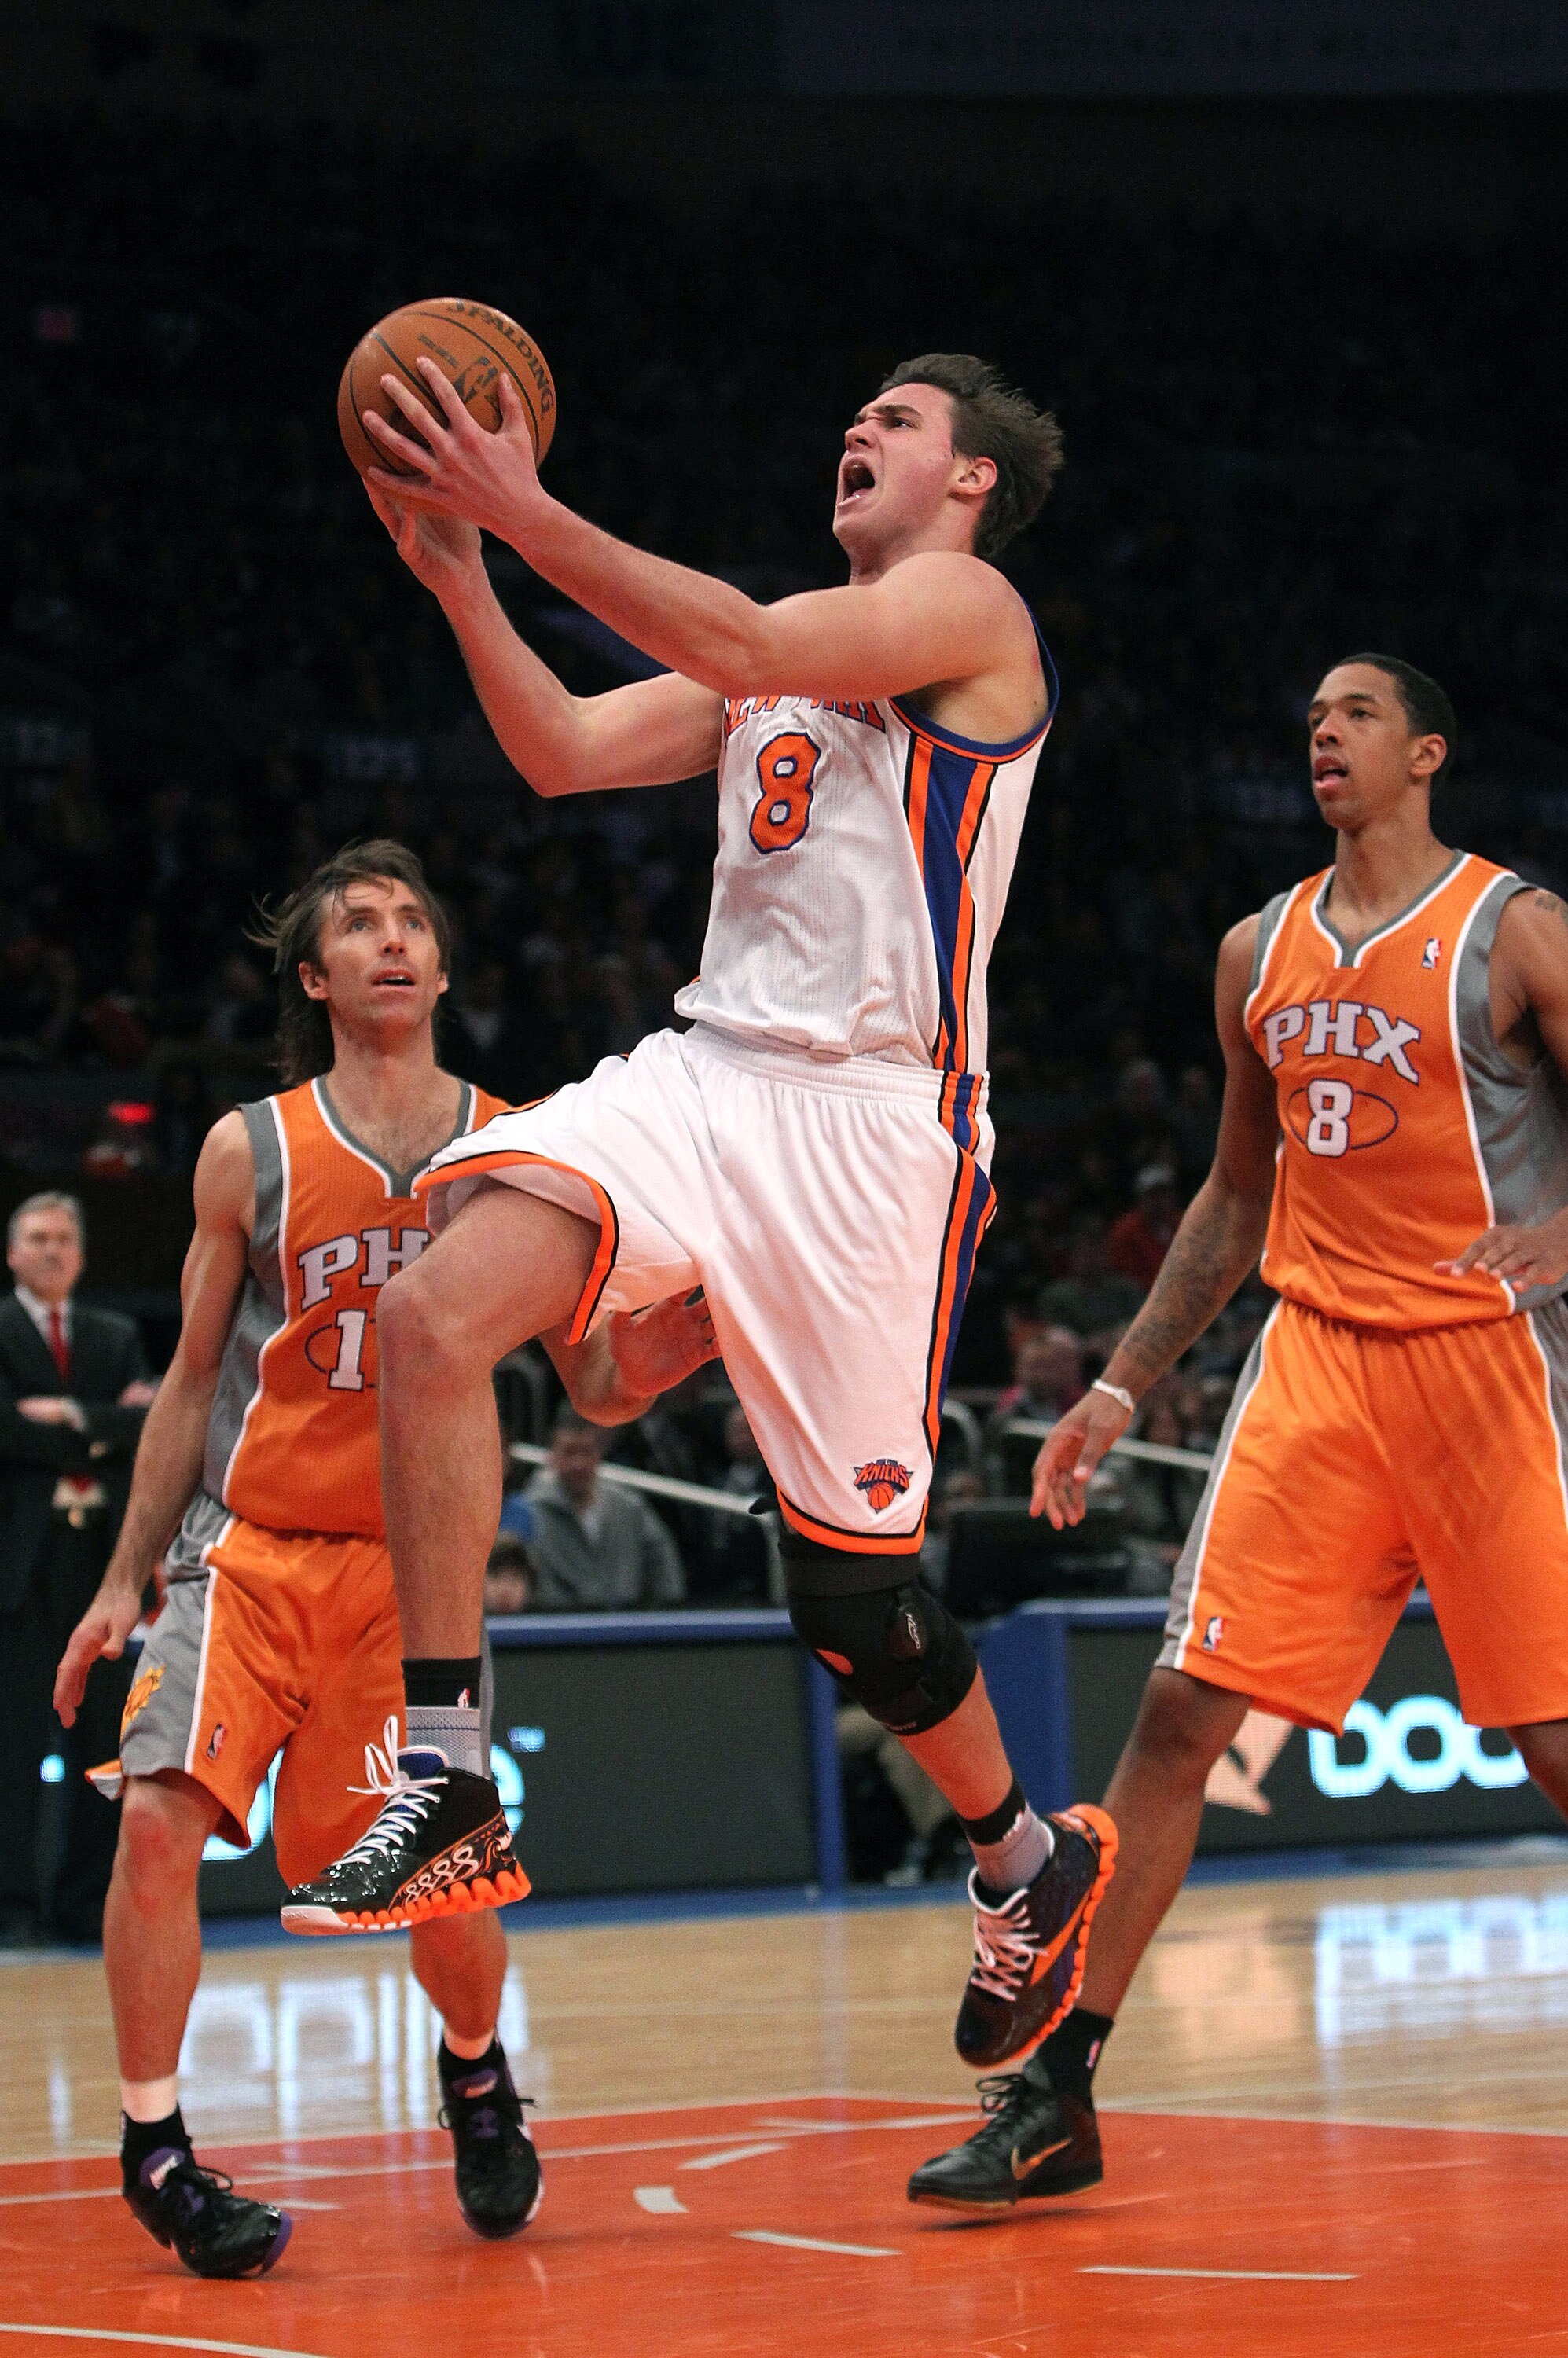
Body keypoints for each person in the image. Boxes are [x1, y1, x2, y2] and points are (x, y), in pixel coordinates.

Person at [288, 351, 1116, 2076]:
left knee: (854, 1606)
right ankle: (446, 1775)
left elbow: (738, 643)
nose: (857, 431)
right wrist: (461, 580)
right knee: (433, 1319)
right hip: (707, 1068)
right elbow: (564, 749)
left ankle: (1024, 1861)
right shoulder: (781, 665)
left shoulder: (969, 607)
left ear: (968, 480)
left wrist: (516, 508)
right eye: (855, 412)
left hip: (874, 1131)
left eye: (895, 422)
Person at [909, 652, 1568, 2209]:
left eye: (1352, 713)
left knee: (1550, 1742)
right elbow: (1229, 1196)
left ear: (1426, 751)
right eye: (1311, 714)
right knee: (1176, 1717)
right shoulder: (1251, 951)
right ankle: (1055, 2092)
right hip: (1318, 1370)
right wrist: (1120, 1385)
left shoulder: (1513, 928)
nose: (1319, 731)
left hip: (1489, 1364)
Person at [53, 842, 715, 2277]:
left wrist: (706, 1330)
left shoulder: (521, 1141)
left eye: (415, 919)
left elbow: (594, 1381)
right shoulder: (254, 1147)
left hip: (409, 1589)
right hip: (248, 1551)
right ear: (317, 976)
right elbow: (183, 1384)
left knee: (440, 1879)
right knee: (155, 1827)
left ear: (446, 967)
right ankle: (155, 2146)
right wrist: (123, 1576)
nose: (394, 940)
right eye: (360, 924)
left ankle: (476, 2072)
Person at [0, 1193, 153, 1944]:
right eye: (38, 1238)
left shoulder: (116, 1334)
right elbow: (5, 1433)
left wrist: (61, 1417)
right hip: (20, 1570)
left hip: (104, 1566)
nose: (53, 1250)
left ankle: (87, 1904)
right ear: (12, 1254)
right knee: (15, 1743)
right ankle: (14, 1907)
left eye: (65, 1238)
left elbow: (149, 1424)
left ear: (83, 1256)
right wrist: (101, 1423)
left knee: (104, 1742)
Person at [523, 1408, 685, 1608]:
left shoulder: (628, 1506)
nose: (578, 1464)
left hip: (623, 1628)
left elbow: (662, 1560)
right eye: (569, 1453)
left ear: (599, 1455)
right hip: (557, 1628)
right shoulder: (530, 1511)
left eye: (586, 1452)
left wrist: (666, 1610)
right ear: (552, 1457)